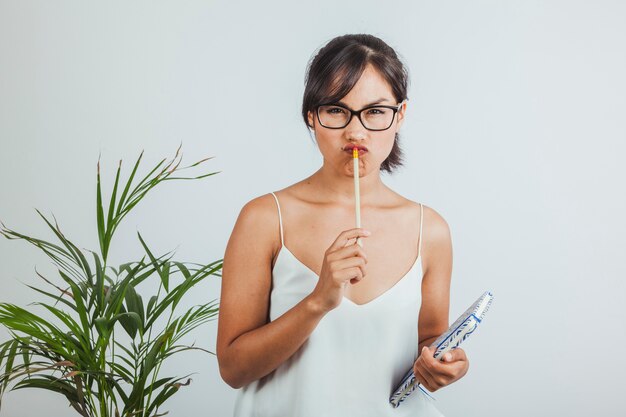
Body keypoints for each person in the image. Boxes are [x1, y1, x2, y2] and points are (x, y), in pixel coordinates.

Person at [216, 33, 469, 416]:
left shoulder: (429, 229)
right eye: (336, 110)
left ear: (400, 115)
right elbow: (234, 368)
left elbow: (430, 341)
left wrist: (444, 364)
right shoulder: (266, 219)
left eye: (375, 111)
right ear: (310, 116)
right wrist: (318, 301)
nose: (355, 131)